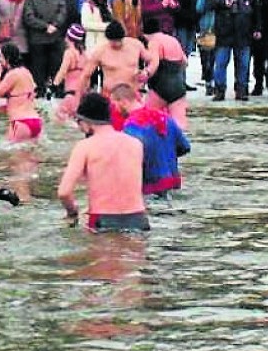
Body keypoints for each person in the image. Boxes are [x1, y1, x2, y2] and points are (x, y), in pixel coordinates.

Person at [57, 92, 149, 232]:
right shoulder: (135, 144)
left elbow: (64, 192)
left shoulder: (85, 146)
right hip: (138, 219)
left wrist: (72, 212)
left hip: (104, 220)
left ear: (86, 123)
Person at [110, 83, 191, 196]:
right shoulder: (165, 117)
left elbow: (129, 161)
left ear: (123, 102)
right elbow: (185, 147)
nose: (116, 110)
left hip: (151, 188)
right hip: (174, 183)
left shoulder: (131, 127)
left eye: (115, 105)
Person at [78, 19, 150, 102]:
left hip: (133, 96)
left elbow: (151, 60)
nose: (117, 43)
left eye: (119, 40)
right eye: (113, 41)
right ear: (108, 39)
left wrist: (147, 72)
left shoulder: (135, 45)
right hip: (110, 96)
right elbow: (86, 75)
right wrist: (82, 95)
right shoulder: (100, 51)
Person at [140, 17, 189, 129]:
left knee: (148, 121)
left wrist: (145, 74)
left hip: (161, 86)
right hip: (179, 86)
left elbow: (154, 63)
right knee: (180, 126)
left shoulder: (153, 42)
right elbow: (185, 61)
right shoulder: (173, 40)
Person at [0, 43, 42, 141]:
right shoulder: (26, 72)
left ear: (7, 58)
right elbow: (32, 94)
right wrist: (10, 105)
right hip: (35, 120)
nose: (0, 60)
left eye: (1, 56)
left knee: (14, 155)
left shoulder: (12, 74)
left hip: (21, 121)